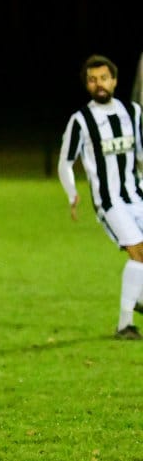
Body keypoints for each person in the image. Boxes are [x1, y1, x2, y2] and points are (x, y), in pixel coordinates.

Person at [58, 53, 143, 339]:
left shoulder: (132, 112)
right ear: (87, 85)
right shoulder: (81, 121)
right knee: (138, 253)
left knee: (141, 260)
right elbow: (65, 162)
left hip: (137, 195)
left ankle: (139, 296)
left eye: (104, 78)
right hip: (109, 202)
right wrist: (72, 193)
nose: (99, 84)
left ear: (114, 81)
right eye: (93, 80)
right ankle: (125, 325)